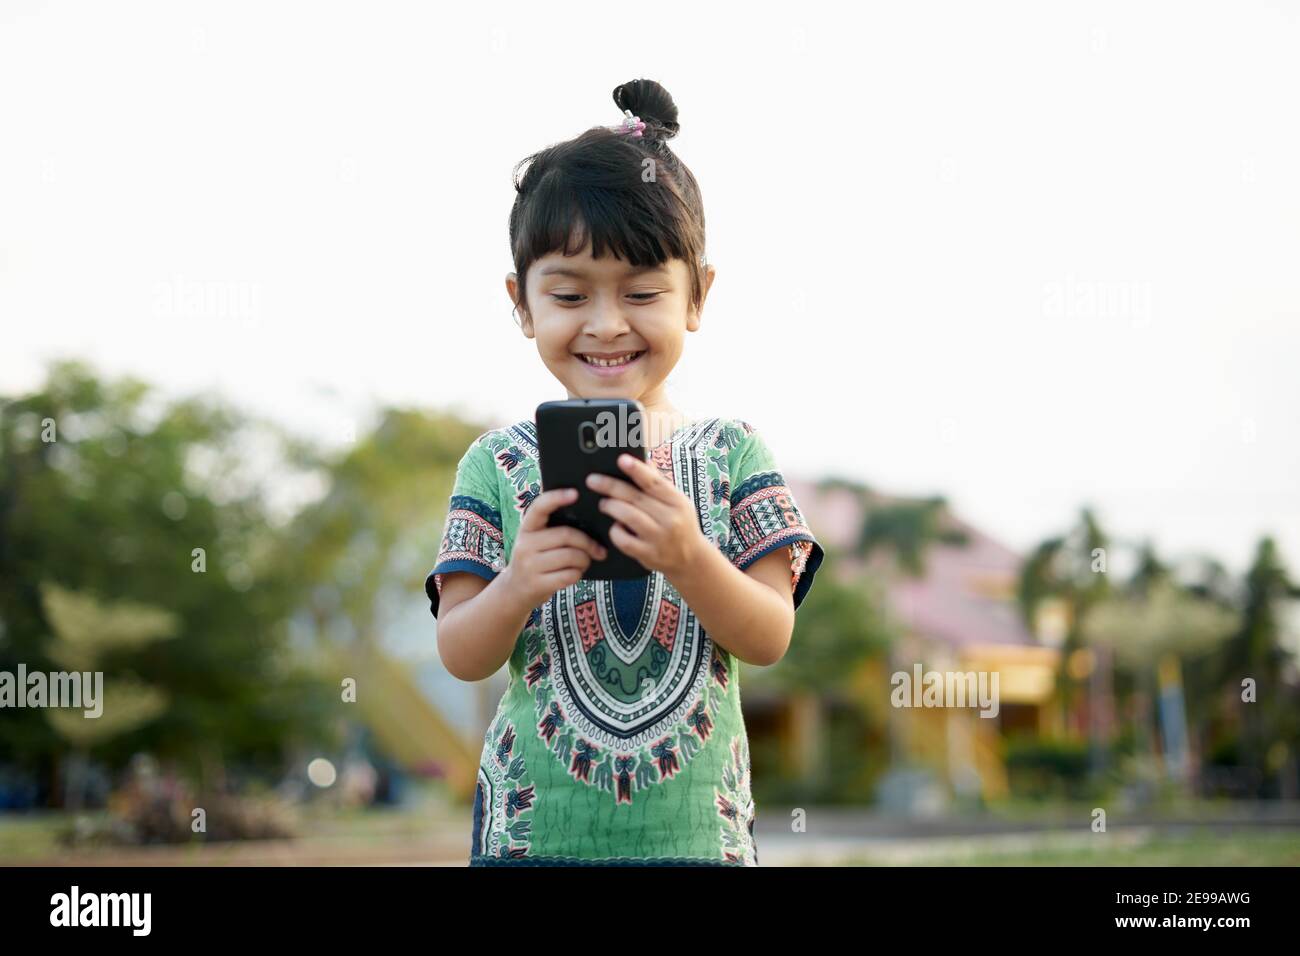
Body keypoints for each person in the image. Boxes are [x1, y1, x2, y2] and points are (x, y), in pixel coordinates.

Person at [426, 78, 824, 866]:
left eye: (642, 292)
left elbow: (769, 634)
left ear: (698, 295)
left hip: (696, 843)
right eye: (570, 294)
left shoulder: (733, 453)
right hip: (531, 843)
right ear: (522, 304)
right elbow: (461, 651)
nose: (607, 324)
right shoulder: (495, 463)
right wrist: (518, 584)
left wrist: (689, 556)